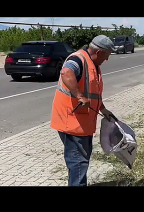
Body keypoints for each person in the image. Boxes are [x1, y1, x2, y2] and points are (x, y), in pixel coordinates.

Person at [50, 35, 116, 186]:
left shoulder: (92, 64)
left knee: (80, 162)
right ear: (99, 52)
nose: (107, 60)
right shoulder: (78, 59)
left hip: (81, 124)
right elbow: (66, 72)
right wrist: (79, 96)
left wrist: (103, 109)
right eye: (107, 55)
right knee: (78, 163)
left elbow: (92, 92)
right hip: (72, 123)